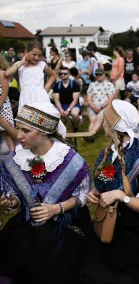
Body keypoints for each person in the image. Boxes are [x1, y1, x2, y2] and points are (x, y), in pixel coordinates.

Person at [0, 102, 91, 284]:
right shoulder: (14, 159)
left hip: (63, 225)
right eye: (18, 129)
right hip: (27, 224)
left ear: (43, 132)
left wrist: (56, 208)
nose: (19, 135)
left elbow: (83, 196)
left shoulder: (70, 160)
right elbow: (15, 195)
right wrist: (13, 202)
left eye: (25, 131)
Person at [81, 100, 139, 284]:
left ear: (112, 125)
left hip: (132, 234)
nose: (102, 123)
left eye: (105, 120)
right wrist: (95, 192)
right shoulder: (107, 152)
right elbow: (103, 186)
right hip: (106, 225)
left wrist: (120, 196)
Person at [5, 41, 56, 111]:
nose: (36, 58)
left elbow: (53, 75)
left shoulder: (41, 64)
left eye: (39, 55)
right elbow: (7, 73)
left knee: (42, 119)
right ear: (26, 52)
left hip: (41, 97)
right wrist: (22, 62)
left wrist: (46, 87)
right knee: (25, 120)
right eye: (34, 54)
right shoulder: (19, 64)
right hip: (26, 97)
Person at [86, 69, 115, 142]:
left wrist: (101, 106)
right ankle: (90, 135)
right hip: (93, 106)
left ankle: (90, 135)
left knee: (99, 118)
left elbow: (111, 98)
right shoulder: (92, 85)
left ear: (104, 75)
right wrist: (93, 107)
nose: (98, 76)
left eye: (100, 74)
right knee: (93, 119)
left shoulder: (109, 85)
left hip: (105, 106)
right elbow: (88, 98)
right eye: (96, 75)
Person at [53, 66, 81, 132]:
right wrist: (60, 109)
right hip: (61, 105)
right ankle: (56, 130)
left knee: (75, 114)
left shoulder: (75, 85)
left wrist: (68, 110)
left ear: (69, 74)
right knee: (53, 114)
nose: (63, 75)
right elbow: (56, 99)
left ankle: (75, 127)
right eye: (61, 74)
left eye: (65, 74)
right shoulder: (57, 85)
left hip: (73, 105)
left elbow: (75, 100)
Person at [0, 55, 16, 151]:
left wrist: (0, 104)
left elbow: (5, 92)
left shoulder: (2, 74)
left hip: (3, 107)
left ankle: (14, 157)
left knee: (7, 133)